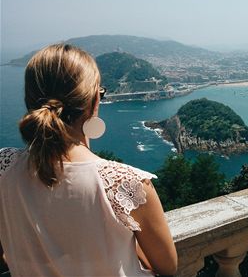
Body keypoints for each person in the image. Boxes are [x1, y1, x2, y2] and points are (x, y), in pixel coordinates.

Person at [0, 44, 177, 276]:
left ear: (30, 100)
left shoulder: (4, 166)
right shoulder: (128, 184)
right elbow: (167, 267)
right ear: (94, 101)